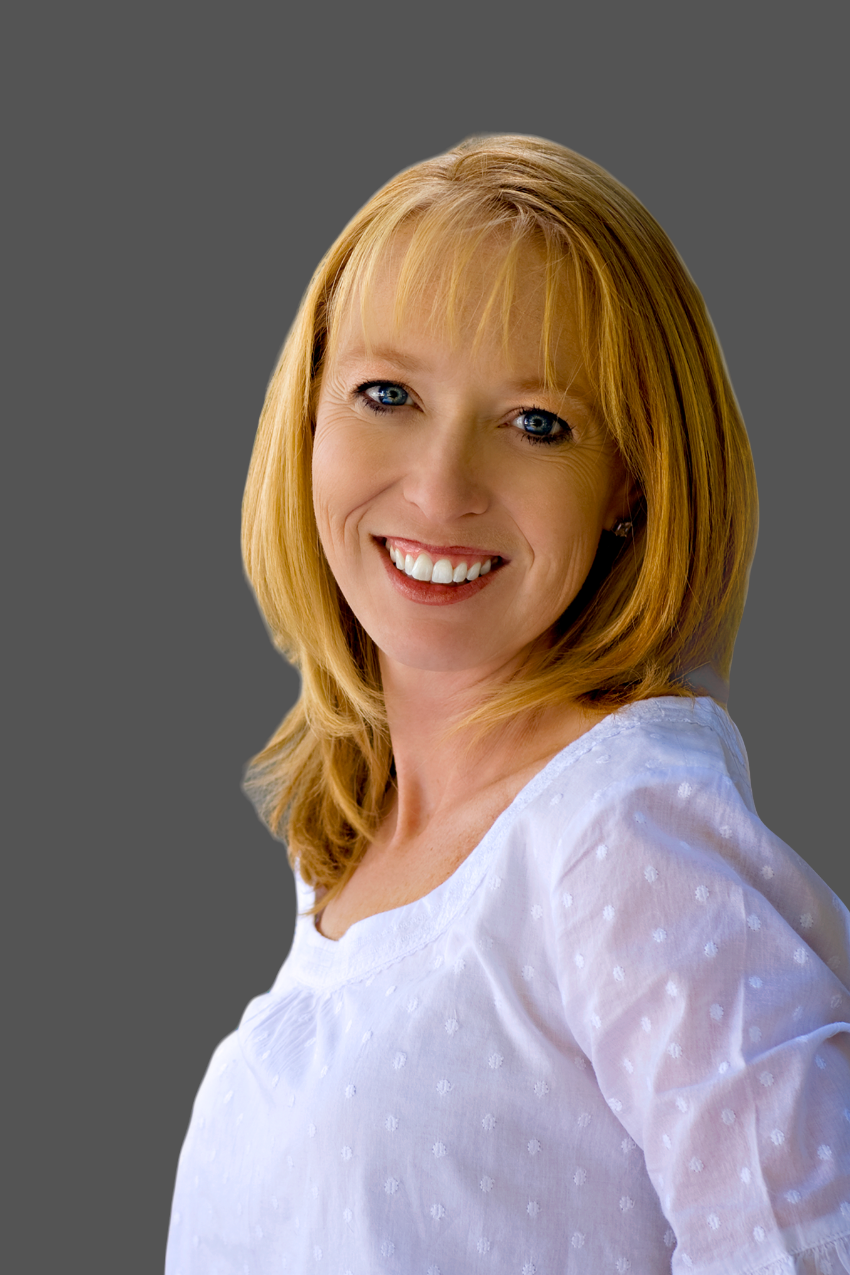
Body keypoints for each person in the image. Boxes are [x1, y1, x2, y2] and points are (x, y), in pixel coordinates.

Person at [165, 135, 850, 1273]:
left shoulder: (618, 836)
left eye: (537, 423)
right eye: (386, 394)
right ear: (309, 419)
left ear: (632, 484)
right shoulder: (354, 848)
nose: (438, 486)